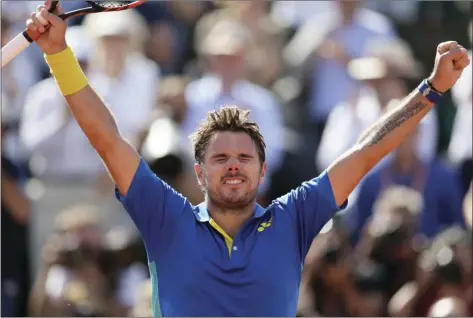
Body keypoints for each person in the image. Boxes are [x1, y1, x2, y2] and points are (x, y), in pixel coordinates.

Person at [26, 1, 470, 316]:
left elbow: (366, 150)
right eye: (220, 159)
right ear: (198, 172)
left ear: (263, 169)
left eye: (244, 156)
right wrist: (59, 55)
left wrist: (429, 90)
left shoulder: (295, 216)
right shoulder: (164, 215)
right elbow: (105, 138)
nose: (234, 164)